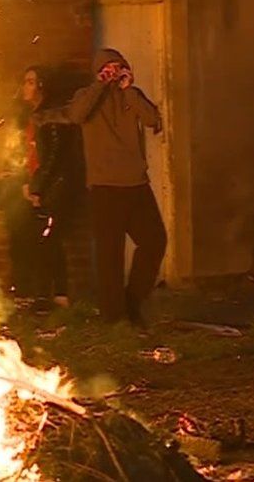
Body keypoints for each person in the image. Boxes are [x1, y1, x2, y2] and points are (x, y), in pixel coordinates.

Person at [35, 49, 166, 326]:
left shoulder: (132, 96)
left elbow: (153, 120)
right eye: (107, 68)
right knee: (110, 255)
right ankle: (113, 318)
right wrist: (100, 85)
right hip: (105, 187)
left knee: (154, 241)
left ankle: (132, 301)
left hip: (136, 185)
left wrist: (128, 89)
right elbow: (77, 115)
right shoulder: (87, 96)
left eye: (117, 67)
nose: (113, 72)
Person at [0, 66, 84, 307]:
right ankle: (33, 293)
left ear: (42, 86)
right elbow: (29, 153)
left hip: (55, 187)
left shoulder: (51, 118)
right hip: (36, 186)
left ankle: (60, 296)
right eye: (25, 81)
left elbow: (55, 156)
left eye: (31, 82)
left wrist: (38, 187)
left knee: (50, 239)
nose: (25, 86)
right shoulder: (30, 117)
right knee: (28, 238)